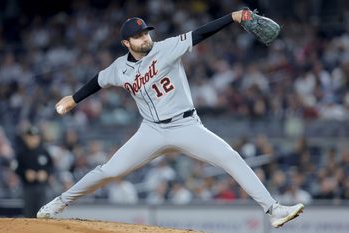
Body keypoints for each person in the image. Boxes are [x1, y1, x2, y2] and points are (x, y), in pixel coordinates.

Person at [37, 9, 304, 228]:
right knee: (109, 171)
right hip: (150, 131)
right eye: (138, 36)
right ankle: (59, 202)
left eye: (145, 33)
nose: (144, 38)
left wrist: (232, 17)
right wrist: (74, 98)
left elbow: (200, 33)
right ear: (126, 44)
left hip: (186, 126)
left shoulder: (166, 49)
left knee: (230, 157)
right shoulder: (119, 68)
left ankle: (273, 209)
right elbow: (98, 80)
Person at [15, 126, 54, 217]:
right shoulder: (21, 153)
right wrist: (25, 173)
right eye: (31, 137)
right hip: (28, 187)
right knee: (29, 213)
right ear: (26, 138)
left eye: (35, 137)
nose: (33, 140)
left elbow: (51, 167)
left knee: (43, 212)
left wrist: (46, 173)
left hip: (42, 187)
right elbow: (16, 168)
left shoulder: (44, 152)